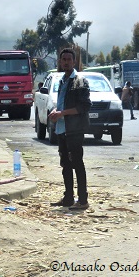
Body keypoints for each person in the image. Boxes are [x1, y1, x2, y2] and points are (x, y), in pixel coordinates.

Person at [48, 48, 92, 210]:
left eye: (69, 59)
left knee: (77, 164)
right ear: (60, 62)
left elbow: (84, 106)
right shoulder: (62, 80)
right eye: (63, 59)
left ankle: (83, 200)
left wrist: (62, 113)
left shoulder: (80, 82)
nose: (66, 62)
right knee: (65, 165)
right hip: (62, 129)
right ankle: (68, 198)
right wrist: (56, 112)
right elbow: (62, 104)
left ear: (74, 62)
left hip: (74, 129)